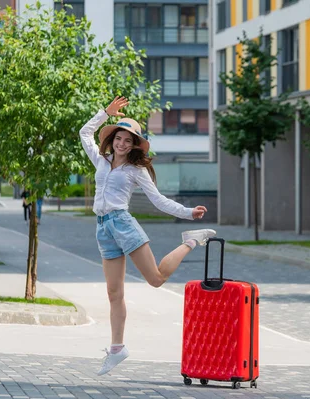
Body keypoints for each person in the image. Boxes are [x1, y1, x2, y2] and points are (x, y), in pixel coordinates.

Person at [79, 96, 216, 376]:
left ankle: (191, 239)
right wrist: (106, 113)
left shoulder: (136, 170)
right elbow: (84, 133)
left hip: (123, 223)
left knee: (155, 279)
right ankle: (117, 349)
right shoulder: (101, 160)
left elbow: (158, 200)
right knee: (113, 292)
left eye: (128, 141)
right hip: (103, 227)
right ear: (112, 140)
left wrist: (188, 212)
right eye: (119, 138)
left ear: (133, 146)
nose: (122, 144)